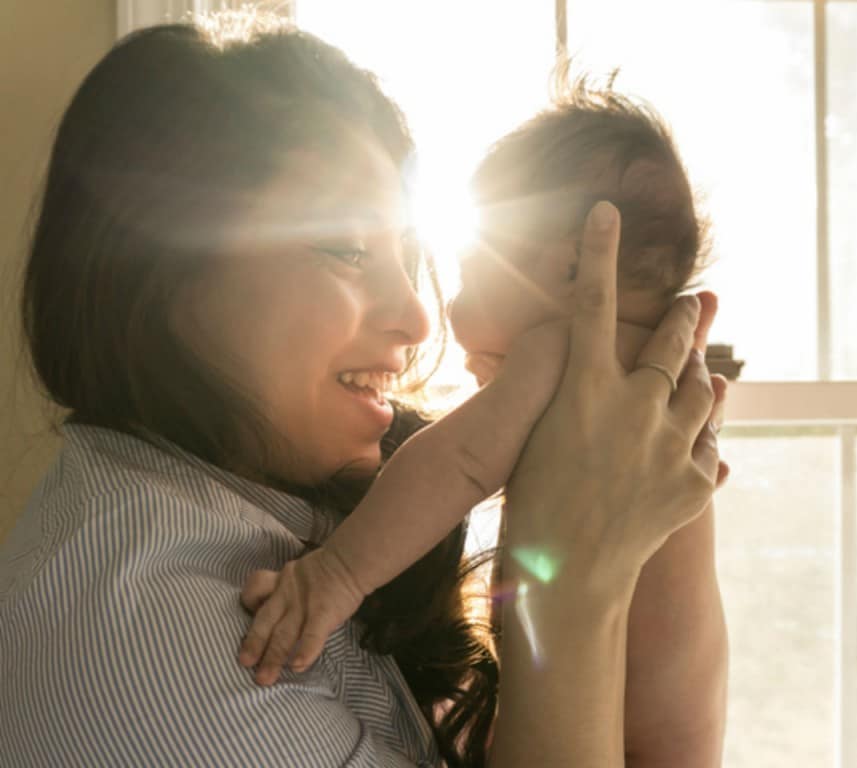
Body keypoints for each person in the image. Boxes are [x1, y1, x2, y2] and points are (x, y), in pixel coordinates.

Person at [0, 14, 724, 768]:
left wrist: (346, 574)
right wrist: (575, 587)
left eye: (406, 253)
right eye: (346, 247)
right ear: (153, 270)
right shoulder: (156, 652)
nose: (418, 317)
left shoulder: (273, 513)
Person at [239, 78, 730, 766]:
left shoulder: (561, 355)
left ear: (573, 267)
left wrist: (337, 575)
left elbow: (457, 463)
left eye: (472, 271)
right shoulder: (653, 384)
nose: (444, 311)